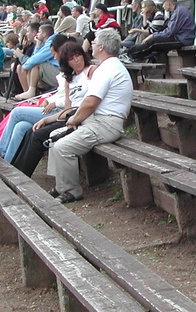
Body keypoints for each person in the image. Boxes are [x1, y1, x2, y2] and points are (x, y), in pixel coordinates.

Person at [46, 28, 133, 203]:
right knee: (54, 136)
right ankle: (61, 185)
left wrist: (74, 119)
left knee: (63, 147)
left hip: (106, 124)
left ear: (101, 47)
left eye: (94, 42)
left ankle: (72, 191)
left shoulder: (107, 69)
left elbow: (91, 102)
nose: (91, 44)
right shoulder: (108, 66)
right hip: (99, 121)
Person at [1, 41, 94, 166]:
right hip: (63, 113)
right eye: (72, 58)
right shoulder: (68, 77)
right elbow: (66, 103)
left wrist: (54, 103)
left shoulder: (91, 72)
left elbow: (79, 104)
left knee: (18, 113)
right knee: (21, 126)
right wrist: (49, 102)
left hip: (72, 116)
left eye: (78, 56)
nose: (76, 60)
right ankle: (7, 164)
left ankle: (1, 153)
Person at [126, 0, 195, 60]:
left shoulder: (178, 12)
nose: (162, 6)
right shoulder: (176, 11)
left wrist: (153, 35)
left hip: (183, 39)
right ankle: (133, 55)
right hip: (180, 37)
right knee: (156, 45)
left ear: (169, 3)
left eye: (163, 3)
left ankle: (130, 54)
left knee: (154, 42)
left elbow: (169, 32)